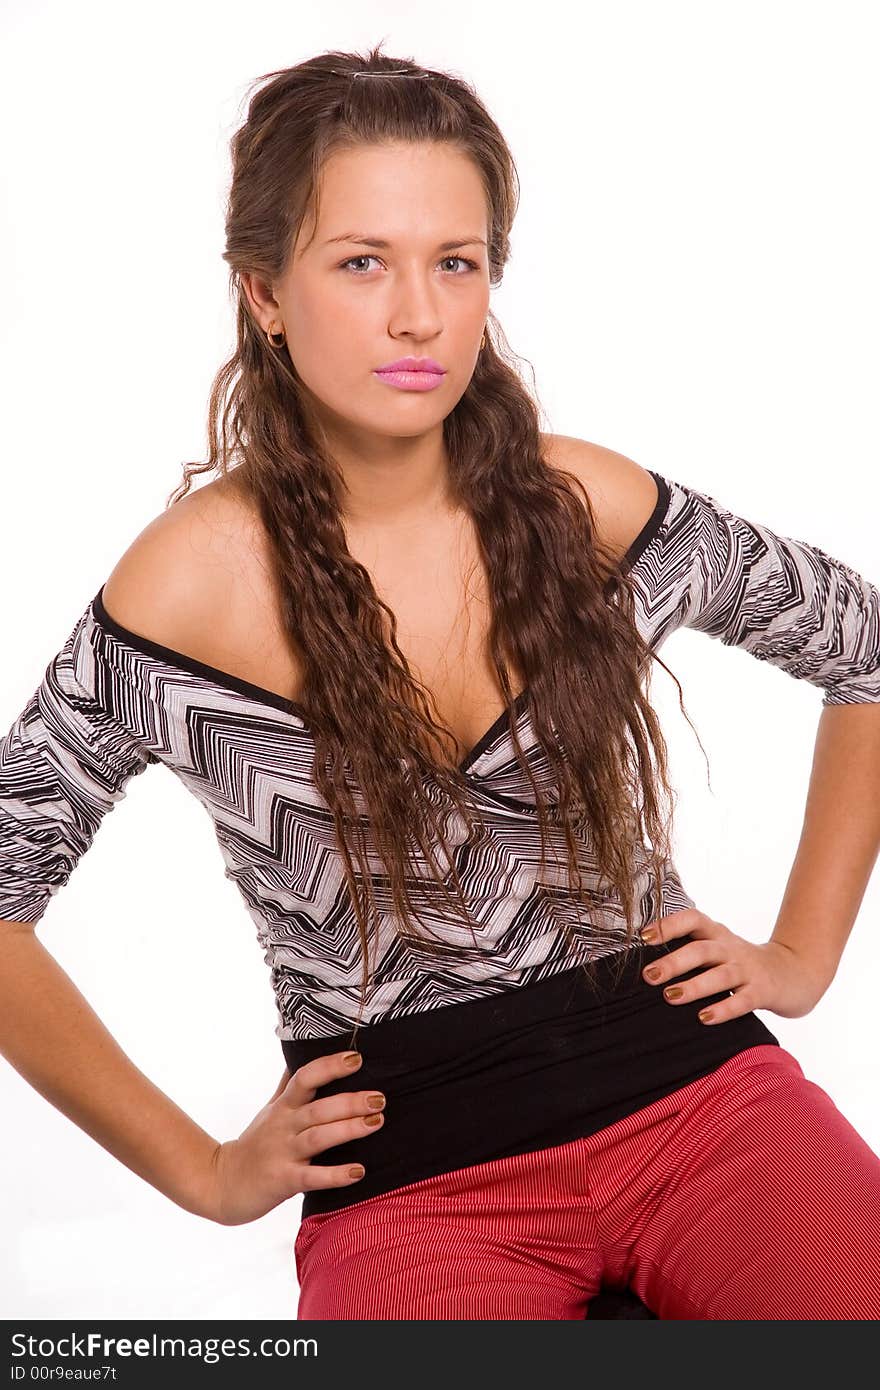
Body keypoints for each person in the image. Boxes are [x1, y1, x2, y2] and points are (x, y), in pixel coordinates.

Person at [2, 45, 879, 1322]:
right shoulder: (189, 584)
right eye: (361, 262)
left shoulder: (589, 509)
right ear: (263, 291)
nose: (418, 314)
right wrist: (203, 1169)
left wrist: (800, 953)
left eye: (453, 262)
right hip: (412, 1176)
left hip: (691, 1092)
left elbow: (860, 645)